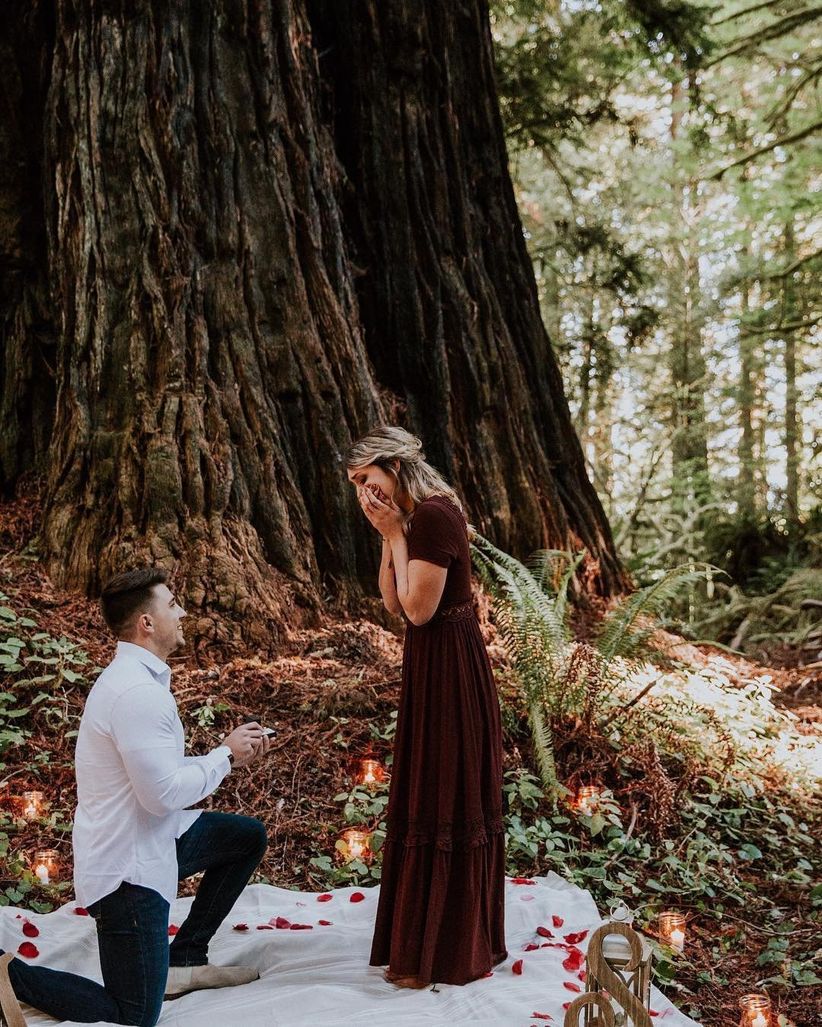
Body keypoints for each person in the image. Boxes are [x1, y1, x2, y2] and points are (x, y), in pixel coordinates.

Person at [0, 567, 270, 1026]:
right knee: (136, 1015)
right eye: (171, 604)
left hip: (155, 839)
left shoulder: (138, 682)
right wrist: (224, 757)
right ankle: (13, 978)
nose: (182, 612)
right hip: (128, 869)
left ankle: (184, 957)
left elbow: (157, 776)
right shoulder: (137, 693)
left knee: (245, 837)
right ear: (146, 623)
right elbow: (162, 794)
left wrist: (221, 753)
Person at [347, 426, 507, 988]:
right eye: (357, 486)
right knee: (424, 789)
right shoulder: (411, 521)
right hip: (427, 667)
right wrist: (390, 535)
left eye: (368, 480)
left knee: (448, 791)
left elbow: (419, 610)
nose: (365, 494)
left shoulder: (437, 516)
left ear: (394, 468)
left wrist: (396, 532)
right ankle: (419, 944)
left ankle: (447, 951)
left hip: (452, 672)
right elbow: (393, 602)